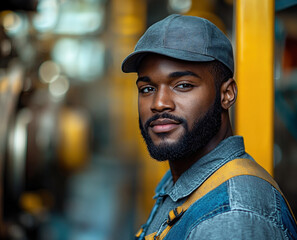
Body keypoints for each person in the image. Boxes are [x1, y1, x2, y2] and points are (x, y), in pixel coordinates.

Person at [121, 14, 297, 240]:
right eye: (147, 89)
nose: (159, 103)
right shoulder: (181, 181)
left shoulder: (230, 218)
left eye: (183, 85)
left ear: (227, 94)